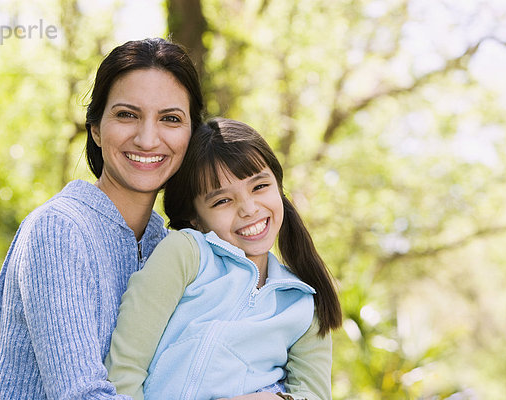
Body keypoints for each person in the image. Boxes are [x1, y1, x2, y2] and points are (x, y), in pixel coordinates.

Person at [0, 37, 204, 399]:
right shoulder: (58, 229)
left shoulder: (170, 247)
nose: (148, 139)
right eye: (127, 114)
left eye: (170, 119)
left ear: (191, 136)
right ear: (96, 129)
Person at [106, 118, 343, 400]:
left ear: (278, 185)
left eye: (259, 187)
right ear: (196, 217)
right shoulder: (185, 255)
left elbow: (314, 393)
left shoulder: (303, 302)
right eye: (222, 201)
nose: (249, 209)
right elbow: (125, 368)